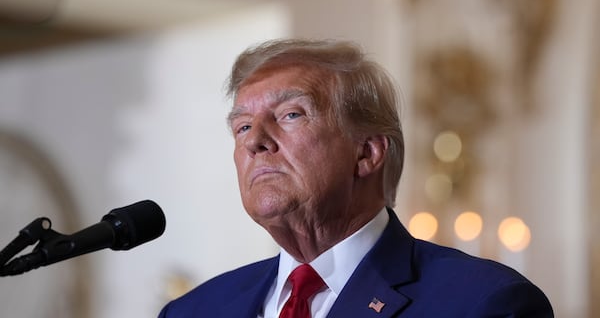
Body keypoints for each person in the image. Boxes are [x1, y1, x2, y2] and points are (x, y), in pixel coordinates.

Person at [158, 39, 553, 317]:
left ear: (367, 152)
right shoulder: (193, 310)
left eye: (290, 115)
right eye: (242, 127)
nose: (255, 142)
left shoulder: (483, 303)